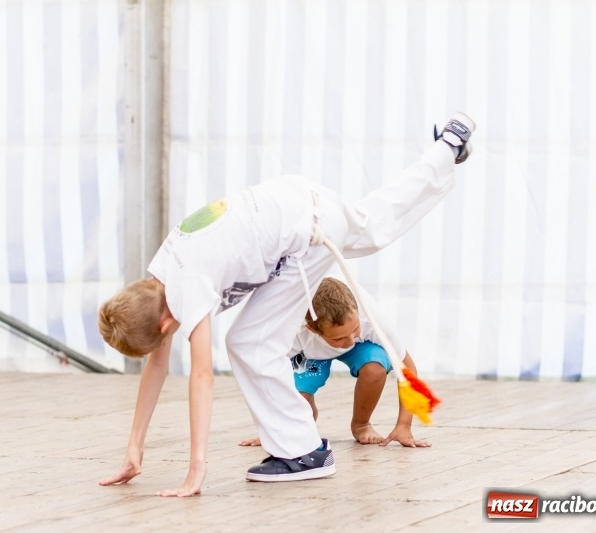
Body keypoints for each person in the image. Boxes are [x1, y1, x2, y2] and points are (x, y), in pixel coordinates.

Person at [97, 113, 475, 497]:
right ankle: (448, 148)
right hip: (301, 199)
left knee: (251, 342)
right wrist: (134, 447)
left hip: (303, 234)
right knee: (377, 221)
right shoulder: (161, 275)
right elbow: (156, 366)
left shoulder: (188, 287)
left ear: (163, 327)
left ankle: (303, 452)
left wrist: (197, 470)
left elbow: (202, 377)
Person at [239, 277, 430, 451]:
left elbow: (408, 370)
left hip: (363, 346)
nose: (349, 340)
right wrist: (272, 429)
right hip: (310, 351)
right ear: (311, 328)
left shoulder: (371, 320)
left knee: (375, 369)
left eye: (355, 329)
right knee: (297, 402)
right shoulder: (294, 328)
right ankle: (306, 410)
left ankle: (361, 424)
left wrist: (404, 425)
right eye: (339, 338)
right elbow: (266, 375)